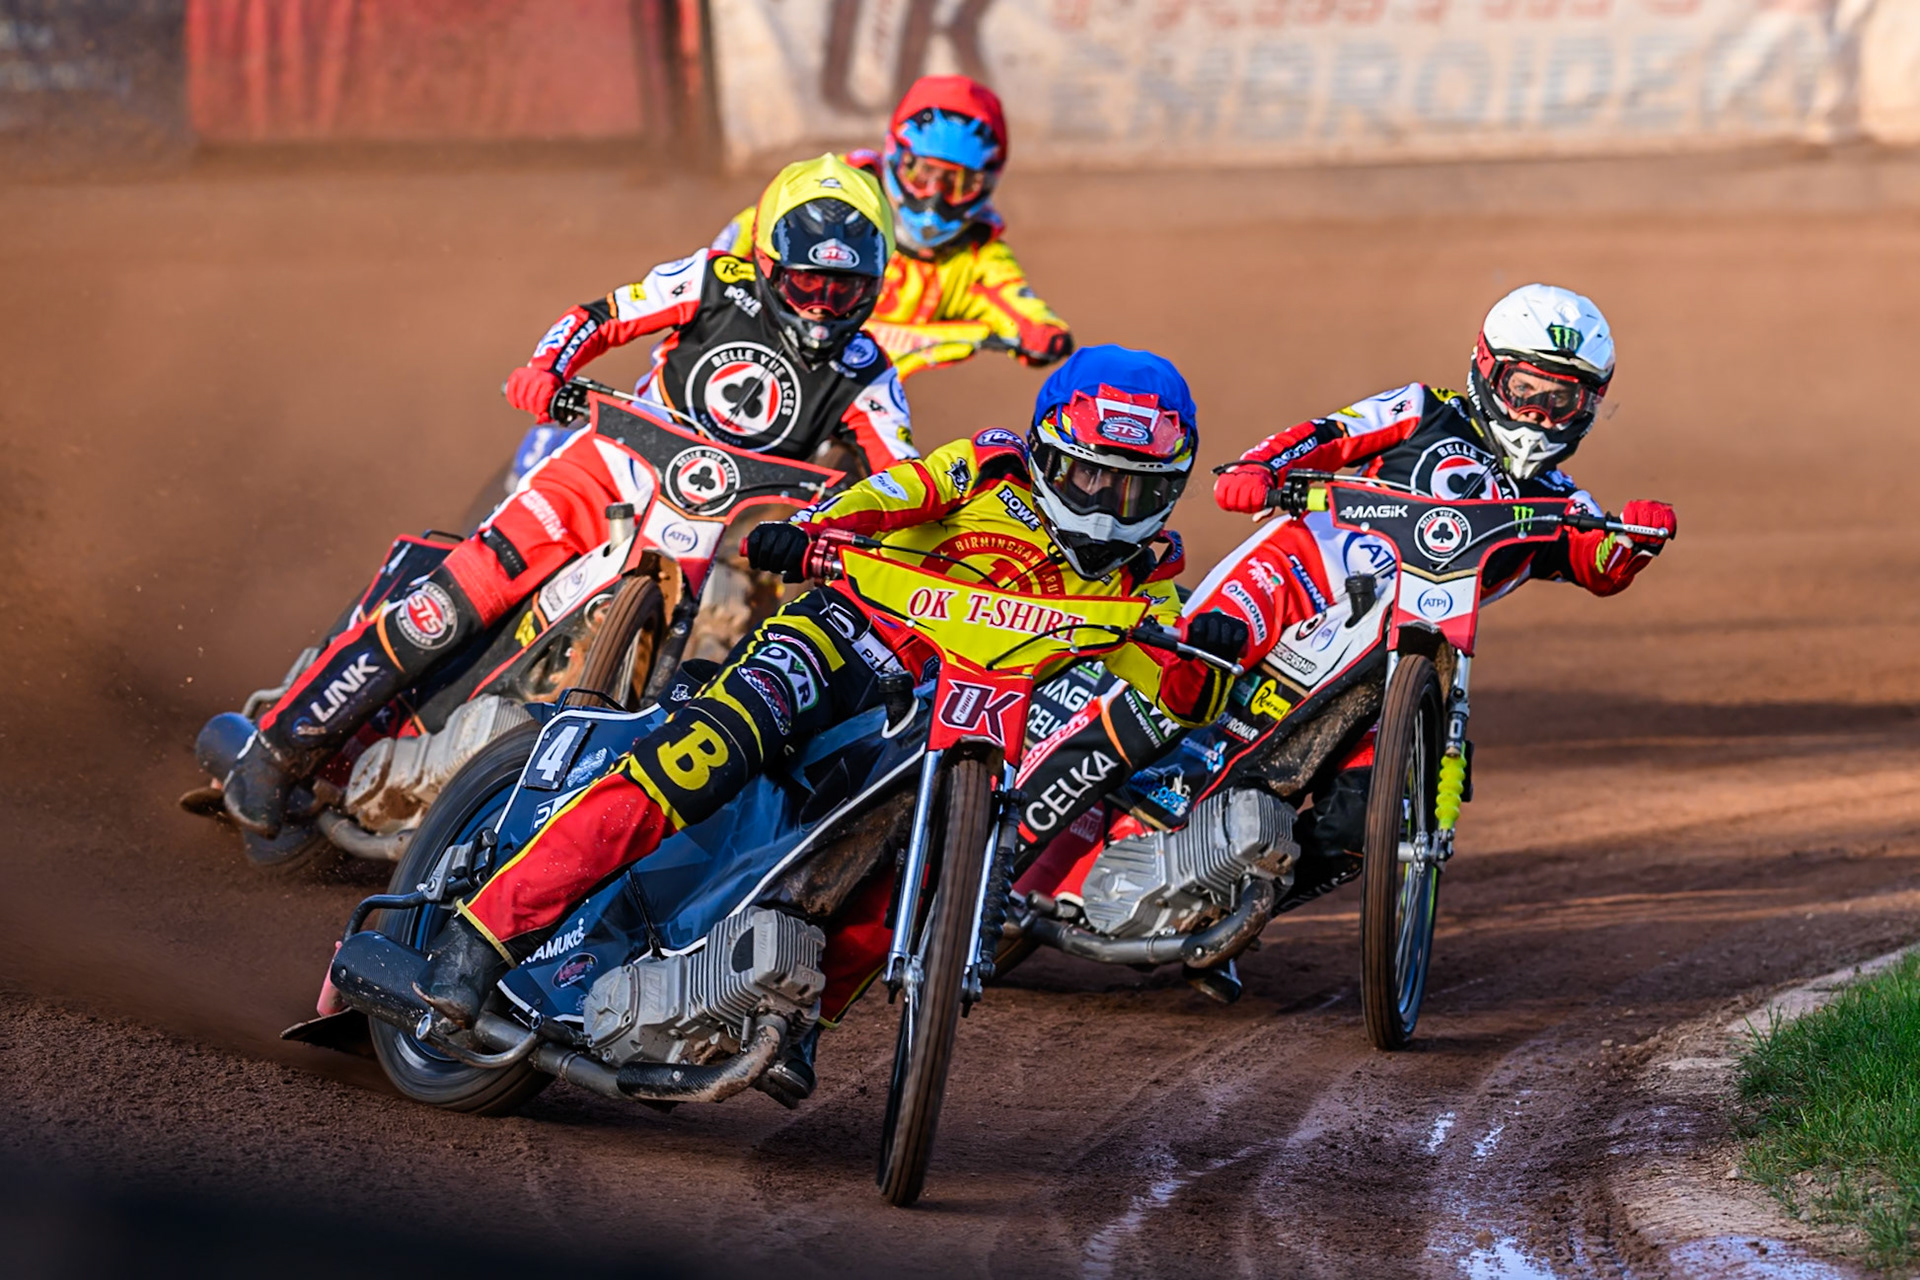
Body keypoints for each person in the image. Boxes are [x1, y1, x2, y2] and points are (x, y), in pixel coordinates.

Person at [410, 345, 1249, 1101]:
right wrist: (817, 531)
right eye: (1088, 475)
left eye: (1134, 487)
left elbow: (1175, 696)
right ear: (1044, 453)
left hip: (945, 720)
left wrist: (1204, 657)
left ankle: (792, 1019)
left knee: (912, 880)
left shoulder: (1152, 579)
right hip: (841, 640)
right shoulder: (986, 470)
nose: (1107, 507)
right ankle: (480, 938)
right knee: (701, 756)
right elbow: (892, 492)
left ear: (1170, 489)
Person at [219, 155, 912, 837]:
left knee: (678, 682)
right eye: (805, 283)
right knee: (457, 599)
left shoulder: (871, 376)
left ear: (873, 286)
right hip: (603, 474)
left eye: (842, 290)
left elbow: (901, 476)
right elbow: (601, 315)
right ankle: (282, 746)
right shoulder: (712, 280)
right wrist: (547, 369)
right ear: (766, 264)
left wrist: (879, 529)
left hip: (708, 531)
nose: (822, 306)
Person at [713, 75, 1072, 381]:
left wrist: (1041, 332)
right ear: (895, 156)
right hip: (764, 345)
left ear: (987, 185)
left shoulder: (979, 255)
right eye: (922, 174)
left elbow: (1018, 304)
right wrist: (716, 276)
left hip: (865, 388)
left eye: (958, 184)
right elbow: (753, 230)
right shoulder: (841, 189)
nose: (935, 197)